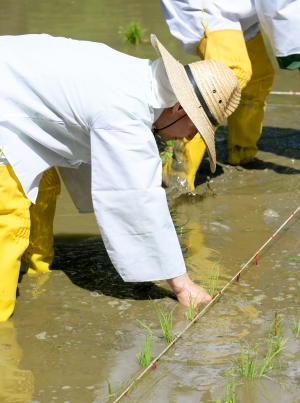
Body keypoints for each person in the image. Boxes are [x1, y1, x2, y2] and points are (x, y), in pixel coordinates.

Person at [0, 33, 240, 321]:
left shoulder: (136, 75)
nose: (190, 137)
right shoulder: (126, 113)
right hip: (7, 98)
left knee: (45, 184)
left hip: (15, 90)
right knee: (9, 213)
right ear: (179, 107)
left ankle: (38, 275)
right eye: (196, 128)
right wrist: (182, 284)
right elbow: (138, 200)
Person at [160, 0, 300, 191]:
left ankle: (242, 156)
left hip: (242, 8)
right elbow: (280, 5)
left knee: (259, 77)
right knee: (230, 73)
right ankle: (176, 172)